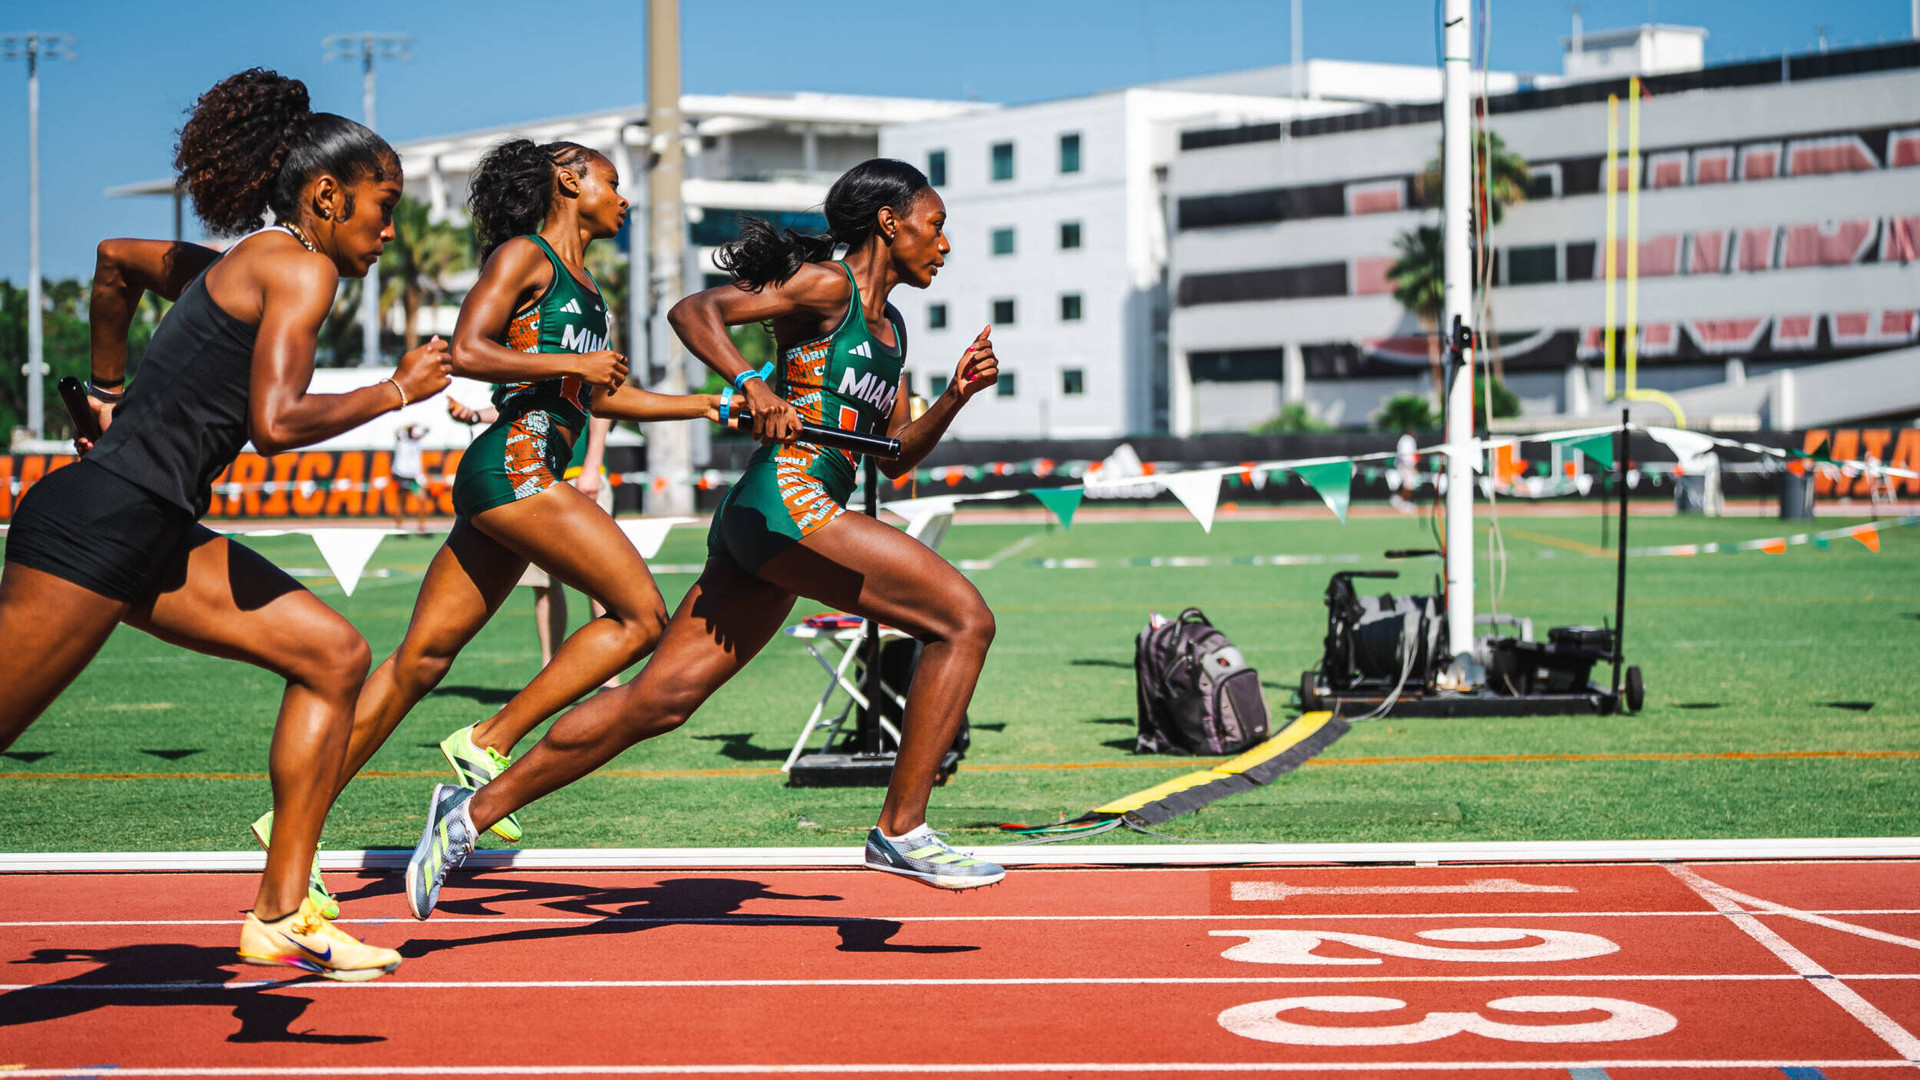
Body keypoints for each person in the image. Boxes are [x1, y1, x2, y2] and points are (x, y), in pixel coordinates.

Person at [405, 158, 1004, 918]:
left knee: (656, 703)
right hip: (789, 499)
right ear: (891, 223)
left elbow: (897, 454)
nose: (944, 245)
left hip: (784, 520)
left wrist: (954, 396)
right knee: (965, 620)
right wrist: (747, 384)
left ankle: (465, 817)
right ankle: (901, 827)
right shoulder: (827, 287)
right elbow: (693, 312)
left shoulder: (893, 330)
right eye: (936, 225)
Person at [0, 69, 450, 980]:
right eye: (383, 205)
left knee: (333, 656)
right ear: (327, 197)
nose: (390, 229)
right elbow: (276, 425)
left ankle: (282, 914)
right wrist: (396, 389)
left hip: (149, 529)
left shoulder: (238, 268)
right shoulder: (301, 267)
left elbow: (114, 261)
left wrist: (104, 388)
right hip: (97, 530)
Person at [289, 138, 725, 880]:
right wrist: (570, 362)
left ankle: (292, 816)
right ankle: (489, 739)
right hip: (514, 468)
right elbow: (466, 348)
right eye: (613, 182)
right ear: (569, 180)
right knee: (641, 618)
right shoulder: (523, 256)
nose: (625, 198)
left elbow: (600, 393)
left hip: (524, 475)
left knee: (420, 660)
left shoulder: (588, 292)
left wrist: (708, 404)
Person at [448, 399, 621, 685]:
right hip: (532, 480)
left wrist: (592, 465)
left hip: (580, 477)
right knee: (543, 584)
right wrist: (475, 415)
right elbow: (515, 405)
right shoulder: (515, 355)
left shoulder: (570, 353)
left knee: (601, 581)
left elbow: (601, 403)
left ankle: (609, 679)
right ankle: (549, 674)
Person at [390, 421, 430, 532]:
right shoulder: (401, 440)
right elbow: (397, 431)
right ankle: (399, 527)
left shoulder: (416, 441)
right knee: (401, 502)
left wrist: (418, 425)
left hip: (414, 477)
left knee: (422, 499)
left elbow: (427, 430)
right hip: (401, 475)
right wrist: (408, 426)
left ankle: (421, 527)